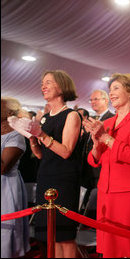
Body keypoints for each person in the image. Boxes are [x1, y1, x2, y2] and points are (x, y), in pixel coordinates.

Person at [84, 73, 130, 258]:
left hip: (128, 192)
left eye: (116, 88)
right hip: (106, 191)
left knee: (129, 247)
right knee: (109, 247)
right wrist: (96, 143)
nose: (111, 93)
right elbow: (93, 160)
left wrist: (105, 137)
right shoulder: (106, 122)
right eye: (110, 89)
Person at [22, 70, 82, 258]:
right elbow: (42, 155)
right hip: (45, 177)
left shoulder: (71, 115)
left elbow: (66, 151)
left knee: (65, 236)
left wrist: (42, 135)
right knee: (51, 236)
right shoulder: (45, 118)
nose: (43, 86)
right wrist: (33, 141)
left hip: (63, 181)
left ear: (61, 86)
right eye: (42, 83)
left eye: (48, 82)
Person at [1, 96, 30, 258]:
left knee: (5, 232)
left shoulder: (16, 135)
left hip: (6, 188)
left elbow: (4, 167)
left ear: (10, 112)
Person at [86, 89, 115, 189]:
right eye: (91, 100)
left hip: (101, 170)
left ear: (106, 100)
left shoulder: (112, 119)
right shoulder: (91, 119)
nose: (93, 102)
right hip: (88, 171)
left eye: (96, 99)